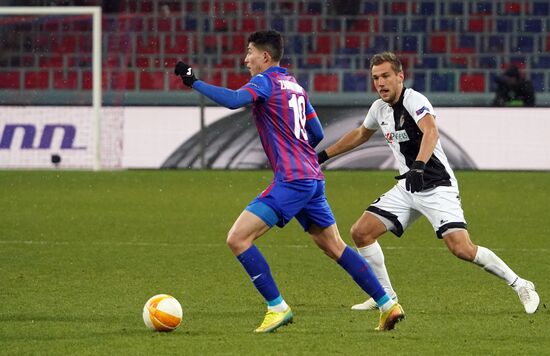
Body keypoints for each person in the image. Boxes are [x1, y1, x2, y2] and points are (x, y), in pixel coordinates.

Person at [174, 31, 404, 333]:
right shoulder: (295, 86)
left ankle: (276, 307)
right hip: (311, 177)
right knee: (335, 246)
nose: (246, 60)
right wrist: (296, 147)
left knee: (238, 239)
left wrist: (194, 82)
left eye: (250, 52)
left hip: (293, 179)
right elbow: (317, 133)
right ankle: (388, 304)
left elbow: (233, 100)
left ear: (265, 57)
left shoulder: (265, 81)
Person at [317, 51, 540, 315]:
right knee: (361, 232)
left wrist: (419, 165)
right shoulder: (379, 108)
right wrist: (321, 156)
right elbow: (360, 135)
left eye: (386, 76)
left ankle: (520, 284)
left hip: (436, 185)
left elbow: (431, 131)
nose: (380, 82)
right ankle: (386, 297)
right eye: (375, 78)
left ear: (400, 76)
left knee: (462, 248)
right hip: (408, 186)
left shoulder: (414, 100)